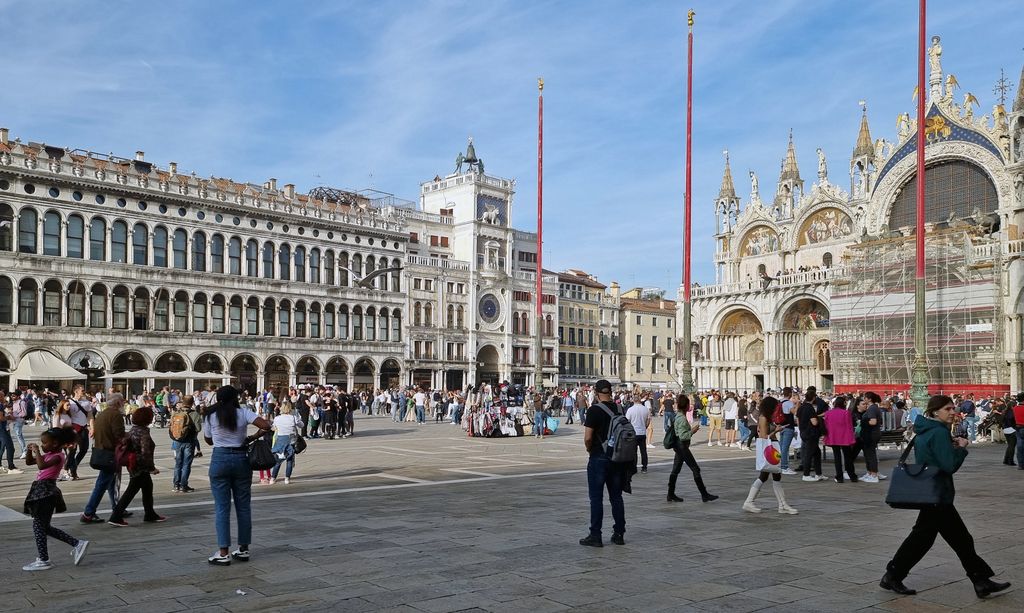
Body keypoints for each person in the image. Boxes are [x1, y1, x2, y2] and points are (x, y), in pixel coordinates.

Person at [881, 395, 1011, 598]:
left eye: (953, 408)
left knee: (930, 538)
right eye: (948, 409)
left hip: (931, 493)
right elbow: (949, 465)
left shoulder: (924, 430)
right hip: (938, 494)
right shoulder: (939, 432)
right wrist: (962, 448)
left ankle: (980, 580)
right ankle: (980, 580)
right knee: (956, 540)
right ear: (935, 412)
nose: (953, 412)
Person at [204, 385, 272, 565]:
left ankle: (223, 552)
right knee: (243, 507)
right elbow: (266, 425)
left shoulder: (211, 415)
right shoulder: (243, 412)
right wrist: (251, 437)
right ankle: (243, 549)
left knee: (221, 508)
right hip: (241, 460)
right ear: (235, 398)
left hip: (220, 459)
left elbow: (208, 440)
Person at [22, 428, 89, 571]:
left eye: (45, 443)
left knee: (39, 525)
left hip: (46, 492)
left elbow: (41, 465)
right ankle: (77, 544)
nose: (42, 446)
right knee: (44, 527)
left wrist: (37, 451)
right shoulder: (50, 454)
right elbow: (29, 462)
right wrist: (29, 451)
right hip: (41, 490)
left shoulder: (58, 456)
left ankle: (44, 560)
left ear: (55, 443)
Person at [579, 379, 626, 547]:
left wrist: (589, 449)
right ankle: (619, 533)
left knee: (596, 499)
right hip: (617, 459)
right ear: (610, 392)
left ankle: (595, 535)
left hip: (599, 457)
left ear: (596, 392)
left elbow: (588, 437)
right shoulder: (620, 409)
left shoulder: (594, 410)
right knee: (616, 497)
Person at [107, 406, 166, 526]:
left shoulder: (133, 430)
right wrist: (151, 468)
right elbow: (145, 452)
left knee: (147, 487)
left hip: (132, 463)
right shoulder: (143, 432)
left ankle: (150, 513)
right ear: (147, 419)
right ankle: (116, 516)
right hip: (140, 466)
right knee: (131, 490)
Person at [742, 396, 798, 515]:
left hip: (772, 446)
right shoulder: (763, 418)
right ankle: (751, 502)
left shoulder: (768, 417)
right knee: (767, 475)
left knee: (772, 475)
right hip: (769, 447)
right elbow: (763, 436)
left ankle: (780, 504)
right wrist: (776, 431)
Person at [81, 393, 127, 523]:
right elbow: (119, 435)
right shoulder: (116, 415)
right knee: (102, 484)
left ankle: (117, 507)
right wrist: (129, 436)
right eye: (122, 401)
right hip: (110, 454)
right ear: (118, 403)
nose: (123, 404)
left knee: (110, 483)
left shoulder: (102, 414)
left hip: (100, 451)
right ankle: (88, 513)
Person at [666, 395, 718, 503]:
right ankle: (704, 495)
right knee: (695, 469)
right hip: (682, 447)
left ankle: (670, 494)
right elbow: (683, 436)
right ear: (686, 406)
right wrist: (693, 431)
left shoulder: (678, 416)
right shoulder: (681, 418)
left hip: (679, 447)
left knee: (675, 470)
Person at [822, 396, 858, 483]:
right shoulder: (846, 413)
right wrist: (852, 438)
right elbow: (849, 426)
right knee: (848, 457)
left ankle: (839, 476)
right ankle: (852, 475)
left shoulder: (828, 413)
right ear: (844, 403)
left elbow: (826, 426)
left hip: (834, 437)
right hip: (845, 437)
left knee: (837, 457)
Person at [171, 396, 203, 493]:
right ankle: (183, 485)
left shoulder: (176, 413)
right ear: (192, 402)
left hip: (177, 441)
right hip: (189, 441)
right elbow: (198, 429)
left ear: (183, 402)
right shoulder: (195, 414)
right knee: (186, 464)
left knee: (178, 464)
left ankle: (176, 484)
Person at [65, 386, 95, 481]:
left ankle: (73, 466)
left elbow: (90, 416)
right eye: (82, 390)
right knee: (72, 450)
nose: (84, 392)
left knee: (84, 449)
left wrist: (92, 428)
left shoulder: (86, 402)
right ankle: (69, 469)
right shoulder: (69, 402)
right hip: (73, 428)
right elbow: (62, 414)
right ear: (76, 391)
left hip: (83, 427)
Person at [270, 403, 303, 485]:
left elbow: (273, 428)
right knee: (290, 460)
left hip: (280, 440)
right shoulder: (293, 417)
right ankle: (287, 478)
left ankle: (273, 478)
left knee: (278, 461)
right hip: (290, 440)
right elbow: (301, 425)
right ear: (290, 409)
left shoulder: (277, 418)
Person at [796, 391, 826, 481]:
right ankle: (806, 474)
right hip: (811, 434)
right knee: (809, 454)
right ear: (813, 398)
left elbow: (798, 420)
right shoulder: (810, 408)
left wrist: (802, 429)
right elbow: (814, 422)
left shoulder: (801, 407)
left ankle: (818, 474)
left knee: (817, 453)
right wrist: (819, 418)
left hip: (804, 432)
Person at [625, 396, 650, 472]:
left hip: (633, 433)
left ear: (633, 401)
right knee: (643, 451)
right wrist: (645, 426)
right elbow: (648, 420)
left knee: (633, 451)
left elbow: (627, 421)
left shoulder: (630, 410)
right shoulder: (645, 409)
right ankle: (644, 467)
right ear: (640, 400)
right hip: (642, 432)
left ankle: (634, 467)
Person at [777, 387, 798, 475]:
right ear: (790, 394)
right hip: (788, 426)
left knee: (781, 447)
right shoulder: (789, 403)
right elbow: (795, 413)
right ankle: (784, 467)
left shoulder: (780, 402)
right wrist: (797, 404)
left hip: (781, 426)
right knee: (785, 448)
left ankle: (780, 465)